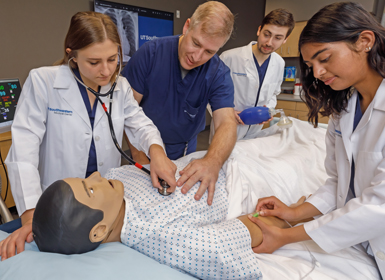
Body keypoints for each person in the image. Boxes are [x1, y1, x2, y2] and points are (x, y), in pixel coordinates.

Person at [247, 2, 385, 279]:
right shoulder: (345, 108)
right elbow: (340, 184)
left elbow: (383, 204)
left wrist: (285, 236)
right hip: (363, 247)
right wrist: (293, 212)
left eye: (324, 59)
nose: (317, 73)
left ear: (364, 41)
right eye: (310, 65)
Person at [0, 11, 176, 261]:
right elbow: (23, 154)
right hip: (59, 207)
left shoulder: (120, 87)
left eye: (113, 59)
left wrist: (156, 153)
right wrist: (31, 215)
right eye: (94, 62)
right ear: (72, 54)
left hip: (105, 206)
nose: (106, 71)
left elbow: (141, 125)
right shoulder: (44, 82)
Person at [28, 163, 299, 279]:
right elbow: (252, 229)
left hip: (214, 161)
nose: (97, 174)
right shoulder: (168, 238)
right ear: (99, 231)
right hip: (246, 179)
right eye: (90, 188)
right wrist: (298, 213)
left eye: (85, 178)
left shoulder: (114, 185)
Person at [122, 1, 237, 206]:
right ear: (187, 26)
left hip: (184, 149)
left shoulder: (218, 73)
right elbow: (129, 112)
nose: (197, 56)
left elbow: (226, 122)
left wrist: (212, 162)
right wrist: (143, 162)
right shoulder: (150, 54)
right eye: (196, 43)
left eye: (209, 52)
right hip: (142, 147)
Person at [212, 8, 294, 141]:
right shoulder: (229, 58)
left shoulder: (279, 63)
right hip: (226, 128)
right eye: (266, 34)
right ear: (259, 30)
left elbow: (274, 93)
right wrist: (225, 113)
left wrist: (269, 109)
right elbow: (208, 92)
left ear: (285, 39)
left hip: (255, 132)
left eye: (278, 38)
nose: (269, 42)